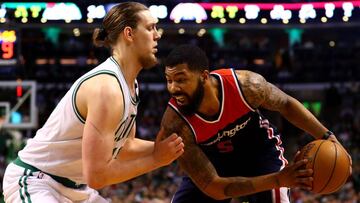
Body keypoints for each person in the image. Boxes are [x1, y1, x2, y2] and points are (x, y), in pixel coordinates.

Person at [2, 2, 184, 203]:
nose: (157, 35)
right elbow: (97, 176)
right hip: (36, 180)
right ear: (129, 34)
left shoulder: (130, 84)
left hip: (75, 189)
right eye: (150, 28)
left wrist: (168, 148)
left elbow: (125, 146)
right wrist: (156, 159)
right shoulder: (107, 88)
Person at [159, 44, 352, 203]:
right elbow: (214, 187)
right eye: (169, 81)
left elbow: (286, 104)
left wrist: (327, 136)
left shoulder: (246, 86)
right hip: (214, 165)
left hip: (260, 153)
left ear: (203, 76)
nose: (173, 88)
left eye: (181, 80)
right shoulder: (175, 123)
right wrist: (278, 179)